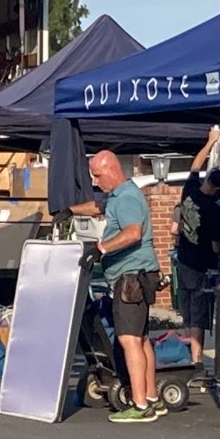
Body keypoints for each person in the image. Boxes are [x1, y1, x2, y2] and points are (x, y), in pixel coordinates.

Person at [88, 151, 164, 423]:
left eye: (97, 176)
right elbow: (98, 207)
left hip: (130, 278)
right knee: (141, 339)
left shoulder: (128, 197)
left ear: (112, 170)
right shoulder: (119, 195)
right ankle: (152, 397)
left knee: (128, 340)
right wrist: (70, 210)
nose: (95, 182)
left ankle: (140, 404)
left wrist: (102, 248)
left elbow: (133, 233)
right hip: (139, 275)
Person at [172, 129, 220, 366]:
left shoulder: (190, 190)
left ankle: (188, 355)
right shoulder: (213, 210)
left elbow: (195, 165)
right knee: (199, 315)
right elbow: (215, 247)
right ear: (218, 191)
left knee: (187, 311)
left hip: (183, 260)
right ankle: (196, 358)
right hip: (202, 267)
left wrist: (210, 142)